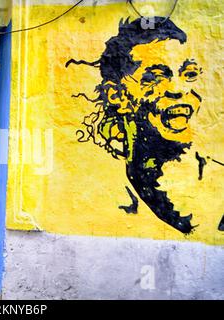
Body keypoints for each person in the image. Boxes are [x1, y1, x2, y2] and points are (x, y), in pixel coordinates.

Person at [66, 17, 202, 234]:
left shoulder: (211, 178)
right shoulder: (101, 193)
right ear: (117, 95)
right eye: (155, 77)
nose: (178, 89)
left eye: (190, 74)